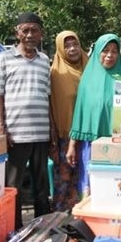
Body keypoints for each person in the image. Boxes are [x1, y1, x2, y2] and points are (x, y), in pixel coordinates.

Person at [0, 12, 51, 227]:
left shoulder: (44, 61)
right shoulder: (4, 58)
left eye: (35, 30)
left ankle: (43, 224)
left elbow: (47, 97)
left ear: (41, 33)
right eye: (26, 30)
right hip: (15, 133)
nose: (30, 34)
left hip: (41, 133)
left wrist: (52, 130)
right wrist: (1, 129)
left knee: (41, 184)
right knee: (13, 185)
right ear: (17, 33)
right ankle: (15, 228)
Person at [66, 34, 121, 198]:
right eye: (105, 50)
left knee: (116, 188)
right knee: (91, 187)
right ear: (97, 52)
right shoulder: (88, 78)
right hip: (90, 144)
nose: (109, 55)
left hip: (118, 145)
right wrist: (72, 145)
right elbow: (80, 112)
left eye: (114, 51)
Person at [50, 30, 88, 211]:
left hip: (88, 134)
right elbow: (49, 105)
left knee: (84, 178)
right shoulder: (54, 73)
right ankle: (60, 217)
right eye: (67, 45)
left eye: (76, 45)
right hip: (64, 135)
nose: (72, 49)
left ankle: (83, 216)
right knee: (64, 180)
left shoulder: (91, 68)